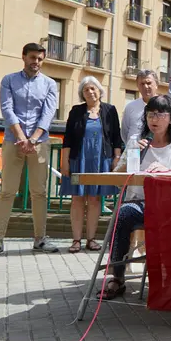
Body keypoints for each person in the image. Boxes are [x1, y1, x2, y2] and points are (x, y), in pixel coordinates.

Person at [98, 95, 171, 299]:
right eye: (150, 114)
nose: (155, 119)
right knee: (123, 215)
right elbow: (117, 180)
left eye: (160, 114)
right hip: (139, 204)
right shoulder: (136, 141)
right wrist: (134, 155)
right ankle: (117, 278)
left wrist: (168, 171)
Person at [0, 43, 59, 259]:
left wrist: (33, 139)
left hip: (39, 143)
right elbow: (7, 109)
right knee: (7, 191)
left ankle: (40, 239)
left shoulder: (50, 84)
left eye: (40, 59)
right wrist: (21, 137)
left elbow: (48, 113)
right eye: (33, 57)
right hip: (12, 141)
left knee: (39, 192)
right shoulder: (8, 80)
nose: (36, 62)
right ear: (23, 57)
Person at [60, 76, 123, 253]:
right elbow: (68, 138)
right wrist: (65, 162)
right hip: (79, 158)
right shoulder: (76, 111)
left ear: (99, 90)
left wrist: (116, 159)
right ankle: (76, 240)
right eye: (86, 89)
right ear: (82, 93)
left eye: (93, 88)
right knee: (77, 199)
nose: (90, 92)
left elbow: (116, 137)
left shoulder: (109, 110)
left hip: (101, 159)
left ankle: (91, 239)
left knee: (95, 199)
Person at [121, 70, 159, 142]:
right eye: (142, 84)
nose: (145, 86)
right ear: (137, 86)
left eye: (149, 83)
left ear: (156, 84)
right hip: (134, 151)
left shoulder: (165, 107)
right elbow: (124, 133)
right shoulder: (130, 107)